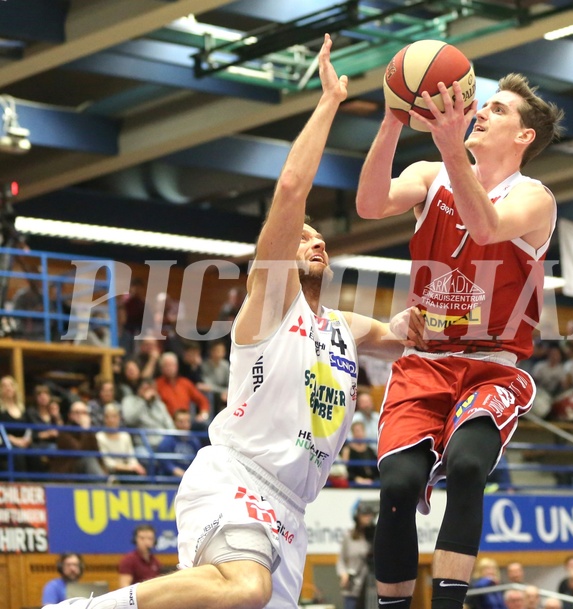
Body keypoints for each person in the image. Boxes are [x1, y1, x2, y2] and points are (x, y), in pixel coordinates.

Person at [43, 34, 407, 609]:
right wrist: (329, 103)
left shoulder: (344, 326)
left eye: (319, 236)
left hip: (294, 509)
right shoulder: (267, 307)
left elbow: (409, 334)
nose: (313, 239)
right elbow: (290, 190)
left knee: (245, 595)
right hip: (238, 478)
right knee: (247, 587)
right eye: (302, 235)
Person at [356, 64, 564, 608]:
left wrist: (452, 149)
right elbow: (369, 206)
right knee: (398, 485)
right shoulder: (430, 174)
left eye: (498, 109)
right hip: (426, 360)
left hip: (494, 365)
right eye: (485, 103)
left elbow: (487, 227)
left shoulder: (534, 197)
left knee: (469, 466)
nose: (482, 111)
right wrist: (392, 122)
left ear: (524, 137)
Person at [337, 504, 376, 609]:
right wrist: (344, 574)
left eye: (370, 515)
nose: (368, 518)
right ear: (357, 517)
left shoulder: (375, 536)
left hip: (371, 587)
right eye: (364, 515)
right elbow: (341, 560)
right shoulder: (349, 536)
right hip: (353, 587)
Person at [95, 403, 147, 480]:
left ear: (119, 418)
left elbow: (131, 457)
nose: (111, 420)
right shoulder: (99, 437)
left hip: (127, 471)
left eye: (114, 416)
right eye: (107, 417)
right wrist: (129, 467)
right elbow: (108, 463)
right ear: (104, 419)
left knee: (141, 474)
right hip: (110, 472)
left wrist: (135, 466)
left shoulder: (125, 436)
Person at [156, 409, 202, 478]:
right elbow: (166, 464)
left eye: (187, 421)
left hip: (190, 478)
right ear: (174, 422)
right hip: (170, 481)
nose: (185, 424)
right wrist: (184, 475)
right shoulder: (167, 441)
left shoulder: (194, 441)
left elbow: (199, 462)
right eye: (181, 422)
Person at [341, 420, 379, 486]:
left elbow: (376, 469)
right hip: (354, 483)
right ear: (353, 433)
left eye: (361, 430)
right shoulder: (347, 450)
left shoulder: (370, 450)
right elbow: (345, 470)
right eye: (356, 431)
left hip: (372, 482)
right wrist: (357, 479)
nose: (359, 434)